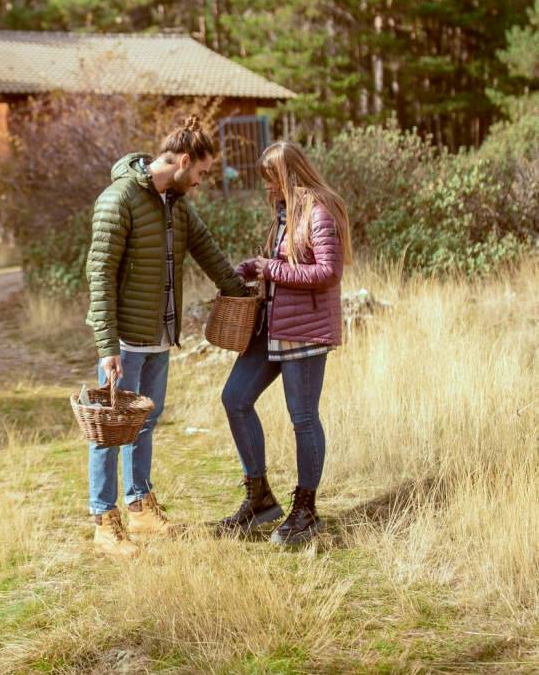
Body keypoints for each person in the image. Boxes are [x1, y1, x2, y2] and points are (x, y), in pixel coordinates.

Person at [86, 115, 247, 557]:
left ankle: (139, 506)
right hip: (124, 341)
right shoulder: (118, 199)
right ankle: (104, 519)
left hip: (160, 337)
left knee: (146, 423)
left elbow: (209, 252)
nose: (199, 182)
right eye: (199, 172)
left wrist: (243, 293)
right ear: (181, 160)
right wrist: (107, 347)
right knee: (110, 429)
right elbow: (98, 274)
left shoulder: (175, 205)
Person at [217, 140, 351, 545]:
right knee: (235, 398)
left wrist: (270, 268)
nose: (265, 187)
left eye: (270, 179)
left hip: (305, 330)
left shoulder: (319, 211)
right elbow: (282, 265)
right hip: (271, 327)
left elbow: (328, 272)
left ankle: (306, 511)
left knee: (303, 418)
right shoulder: (284, 215)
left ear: (287, 175)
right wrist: (253, 270)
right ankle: (260, 499)